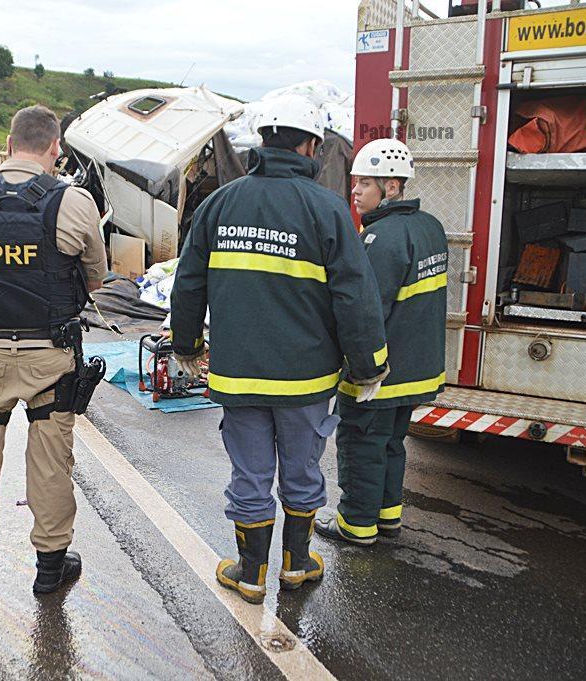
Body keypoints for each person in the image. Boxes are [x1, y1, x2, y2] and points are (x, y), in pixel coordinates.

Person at [170, 95, 389, 605]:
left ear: (262, 140)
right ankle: (296, 565)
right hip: (305, 381)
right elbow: (355, 297)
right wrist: (368, 365)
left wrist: (186, 345)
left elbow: (187, 283)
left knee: (249, 475)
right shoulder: (329, 210)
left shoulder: (219, 204)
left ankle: (250, 574)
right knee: (302, 470)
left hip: (238, 376)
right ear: (311, 144)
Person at [0, 105, 108, 594]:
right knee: (51, 462)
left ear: (9, 143)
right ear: (55, 148)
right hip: (50, 357)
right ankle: (50, 568)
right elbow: (95, 277)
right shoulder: (74, 202)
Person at [315, 139, 447, 546]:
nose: (354, 192)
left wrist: (351, 364)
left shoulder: (380, 239)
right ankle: (388, 518)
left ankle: (356, 524)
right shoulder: (430, 228)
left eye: (364, 184)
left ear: (391, 187)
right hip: (417, 369)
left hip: (381, 373)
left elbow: (363, 312)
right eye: (355, 183)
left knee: (360, 446)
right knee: (391, 444)